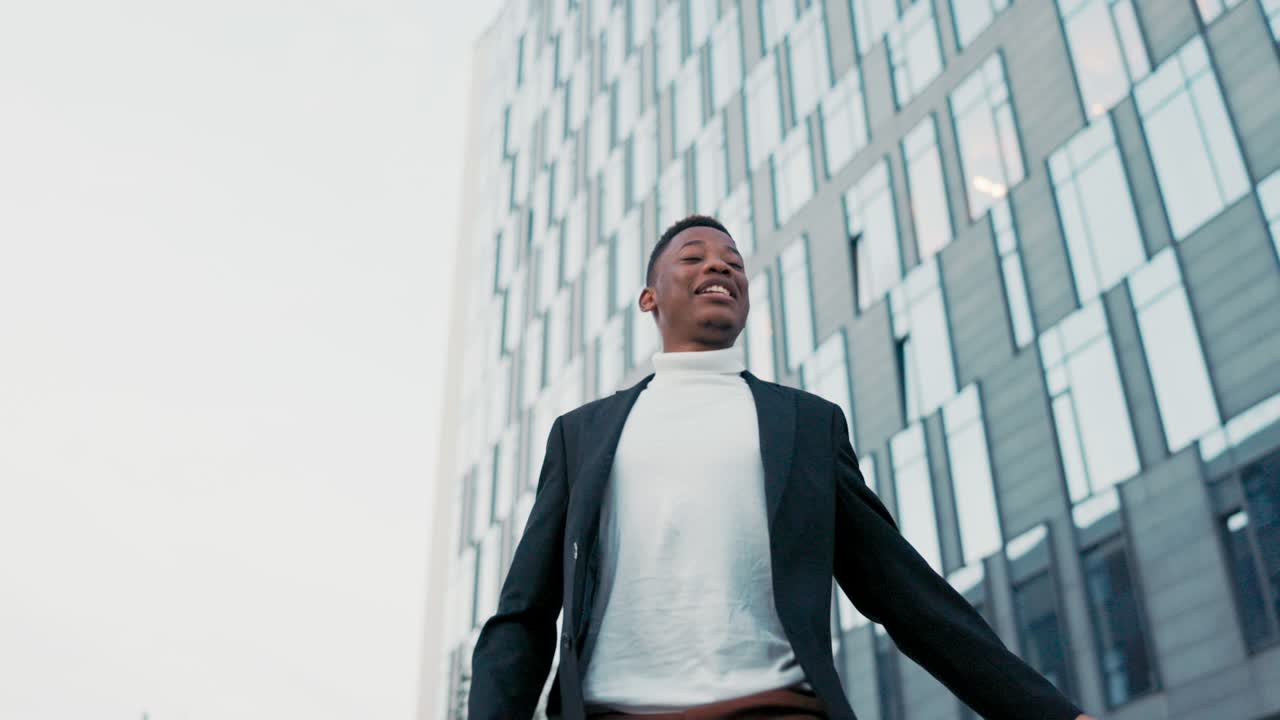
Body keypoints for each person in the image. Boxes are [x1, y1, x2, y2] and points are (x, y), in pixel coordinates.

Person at [469, 215, 1094, 720]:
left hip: (777, 710)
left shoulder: (806, 425)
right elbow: (524, 614)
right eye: (693, 256)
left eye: (734, 261)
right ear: (649, 297)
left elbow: (906, 595)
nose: (719, 264)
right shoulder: (582, 435)